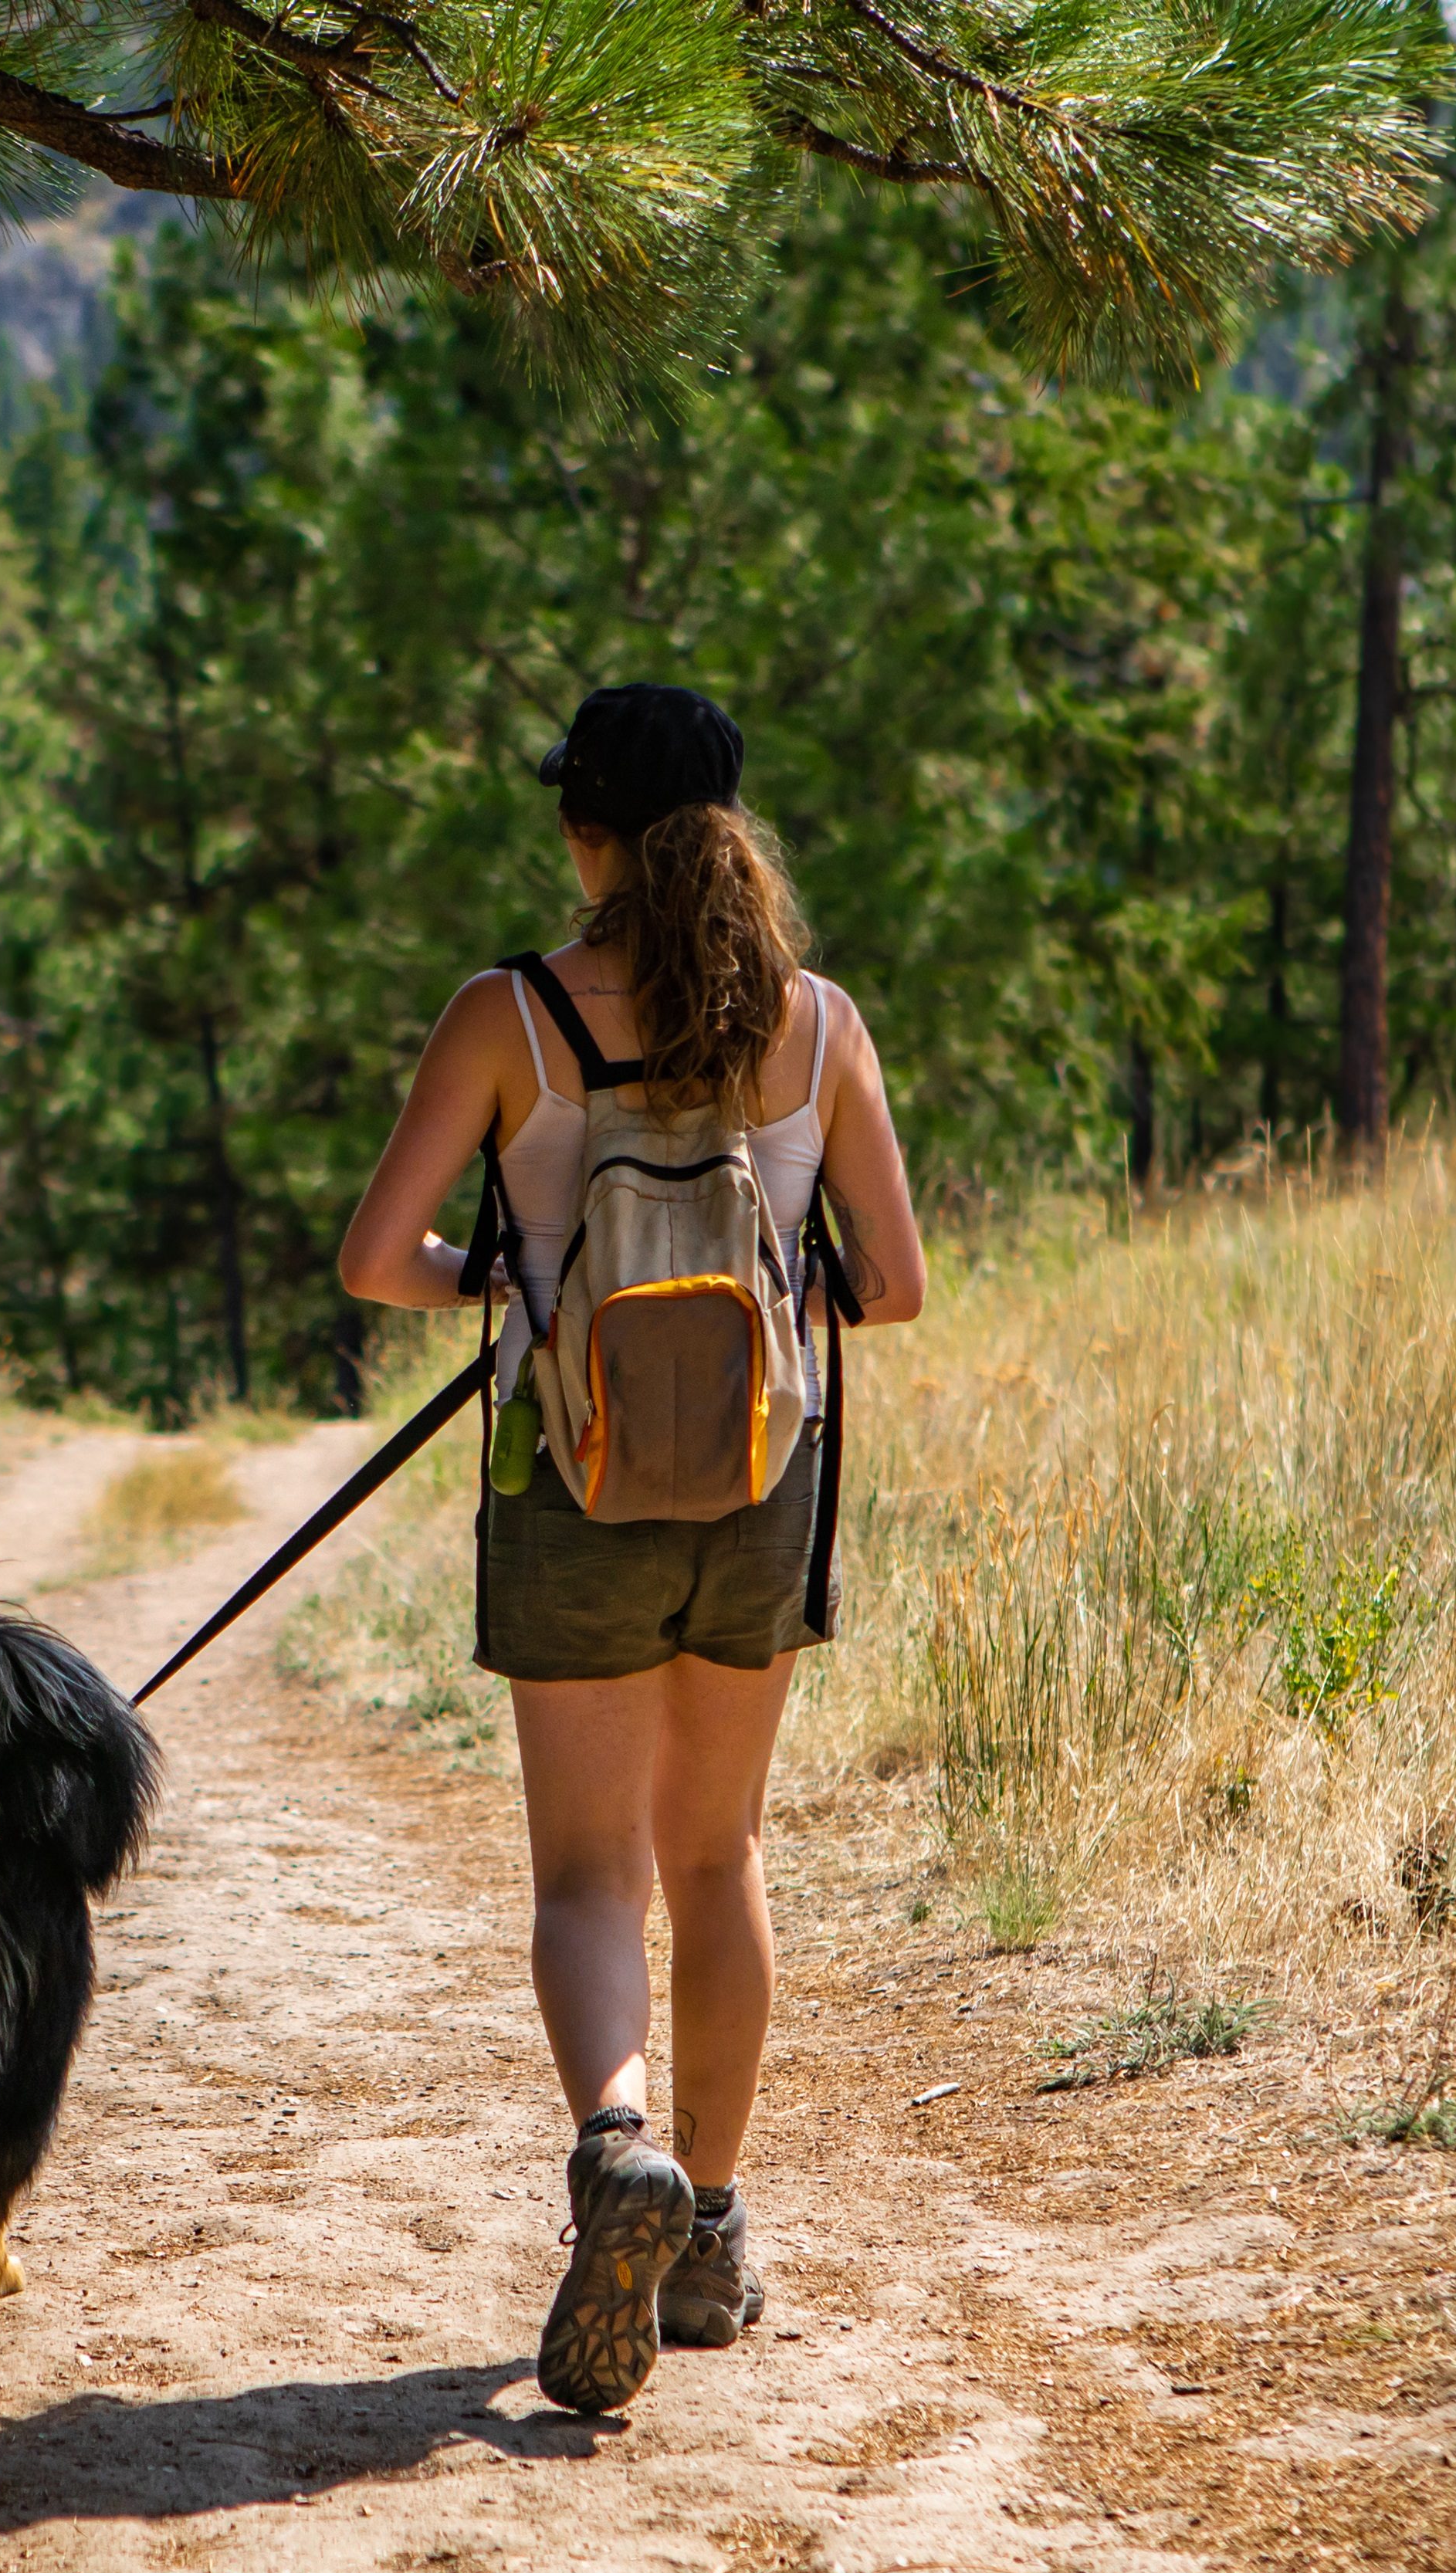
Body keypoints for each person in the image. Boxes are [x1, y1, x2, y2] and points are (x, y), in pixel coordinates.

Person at [335, 684, 929, 2419]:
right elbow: (891, 1286)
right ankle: (718, 2234)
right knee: (718, 1852)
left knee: (587, 1873)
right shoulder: (815, 1026)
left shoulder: (507, 1016)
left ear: (582, 832)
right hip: (760, 1483)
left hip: (570, 1479)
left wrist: (504, 1281)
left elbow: (380, 1256)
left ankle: (618, 2144)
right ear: (730, 827)